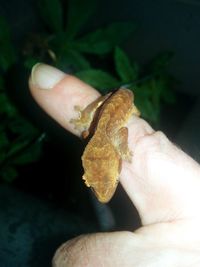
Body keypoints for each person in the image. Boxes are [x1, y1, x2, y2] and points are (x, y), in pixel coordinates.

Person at [29, 63, 200, 267]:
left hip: (126, 99)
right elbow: (90, 135)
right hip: (109, 108)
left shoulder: (109, 136)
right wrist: (87, 118)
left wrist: (123, 149)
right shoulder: (92, 136)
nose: (103, 193)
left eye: (112, 180)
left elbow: (124, 133)